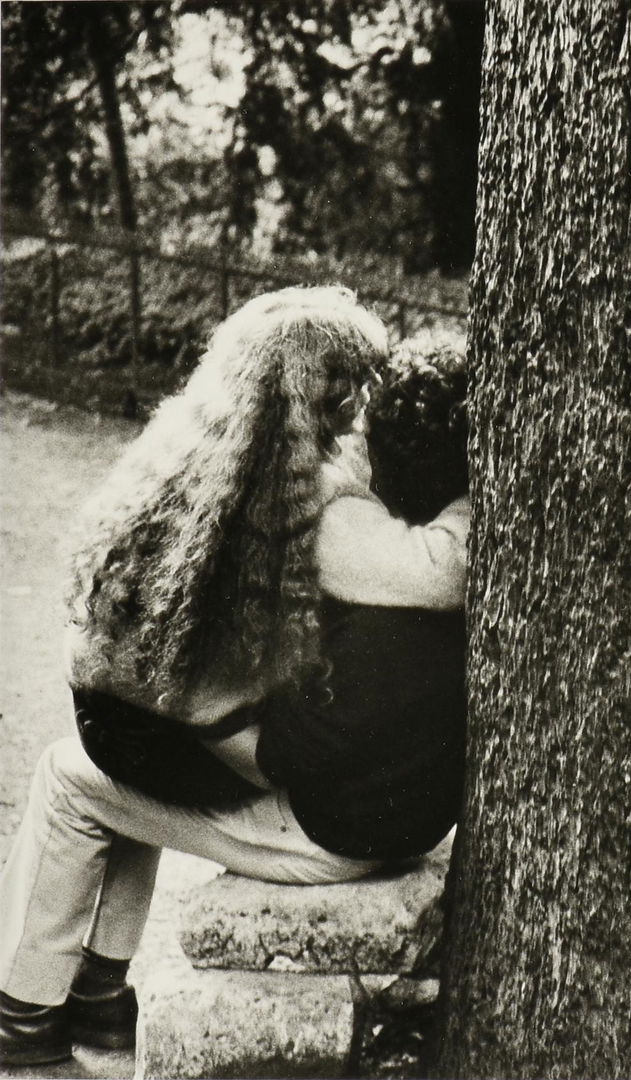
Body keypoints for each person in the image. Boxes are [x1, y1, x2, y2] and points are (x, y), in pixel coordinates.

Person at [0, 291, 469, 1066]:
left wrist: (223, 732)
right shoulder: (308, 502)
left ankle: (36, 1010)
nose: (361, 411)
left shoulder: (199, 479)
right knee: (97, 782)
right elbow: (438, 567)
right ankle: (85, 1004)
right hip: (292, 775)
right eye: (350, 390)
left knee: (72, 779)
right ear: (312, 404)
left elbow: (111, 655)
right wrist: (469, 498)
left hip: (273, 785)